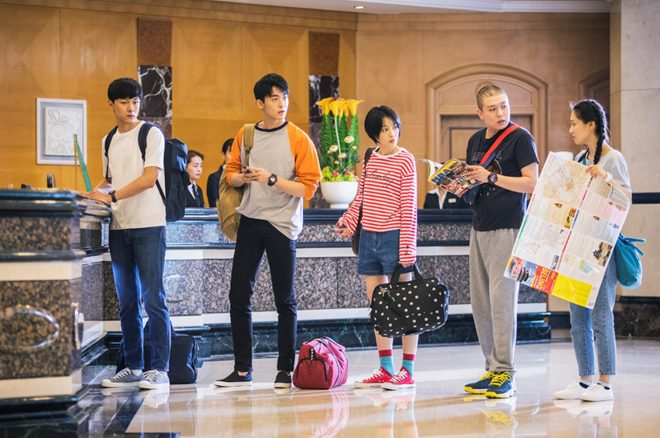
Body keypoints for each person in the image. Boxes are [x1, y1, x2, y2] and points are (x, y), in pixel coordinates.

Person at [213, 73, 321, 389]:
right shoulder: (246, 134)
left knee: (284, 299)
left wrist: (271, 179)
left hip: (283, 224)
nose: (281, 103)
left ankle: (285, 370)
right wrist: (244, 178)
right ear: (260, 103)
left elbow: (308, 188)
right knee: (238, 295)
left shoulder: (298, 138)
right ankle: (242, 370)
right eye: (274, 98)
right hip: (250, 219)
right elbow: (230, 175)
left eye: (284, 97)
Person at [87, 77, 171, 390]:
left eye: (135, 101)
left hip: (149, 224)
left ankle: (159, 368)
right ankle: (133, 365)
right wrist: (92, 194)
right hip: (119, 227)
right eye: (124, 102)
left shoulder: (151, 134)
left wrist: (110, 196)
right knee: (128, 302)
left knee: (154, 299)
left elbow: (149, 179)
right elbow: (110, 179)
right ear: (111, 104)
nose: (131, 107)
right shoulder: (108, 139)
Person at [461, 84, 539, 398]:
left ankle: (506, 371)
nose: (500, 113)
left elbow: (532, 183)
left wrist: (491, 177)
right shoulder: (475, 141)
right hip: (479, 226)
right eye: (492, 109)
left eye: (504, 106)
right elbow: (474, 179)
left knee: (502, 301)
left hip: (509, 227)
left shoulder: (521, 138)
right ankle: (491, 368)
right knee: (481, 303)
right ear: (480, 113)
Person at [334, 105, 418, 390]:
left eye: (394, 126)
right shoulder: (370, 158)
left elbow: (409, 208)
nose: (392, 133)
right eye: (384, 129)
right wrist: (347, 220)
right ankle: (385, 368)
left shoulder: (406, 160)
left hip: (396, 239)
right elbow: (361, 199)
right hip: (369, 238)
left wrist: (407, 248)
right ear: (374, 134)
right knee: (379, 307)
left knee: (405, 306)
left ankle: (407, 370)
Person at [554, 99, 631, 403]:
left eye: (575, 123)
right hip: (577, 246)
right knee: (577, 317)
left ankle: (606, 382)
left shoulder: (613, 159)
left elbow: (626, 200)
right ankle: (585, 379)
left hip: (602, 247)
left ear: (591, 125)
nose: (570, 129)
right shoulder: (580, 158)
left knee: (600, 315)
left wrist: (607, 179)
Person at [207, 138, 234, 208]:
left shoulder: (244, 177)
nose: (234, 156)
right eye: (231, 153)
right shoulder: (214, 178)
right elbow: (214, 204)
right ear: (223, 155)